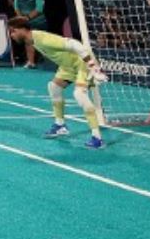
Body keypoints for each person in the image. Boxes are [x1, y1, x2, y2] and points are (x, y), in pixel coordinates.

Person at [6, 17, 105, 149]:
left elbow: (75, 44)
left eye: (13, 31)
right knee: (54, 87)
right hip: (67, 66)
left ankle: (97, 137)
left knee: (80, 95)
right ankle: (60, 125)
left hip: (81, 64)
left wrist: (93, 67)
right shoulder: (32, 40)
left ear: (22, 29)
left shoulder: (41, 38)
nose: (12, 35)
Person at [12, 0, 47, 68]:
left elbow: (39, 9)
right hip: (25, 23)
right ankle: (31, 62)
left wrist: (27, 17)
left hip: (38, 22)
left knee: (40, 43)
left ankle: (46, 61)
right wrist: (20, 18)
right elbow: (16, 7)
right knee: (28, 41)